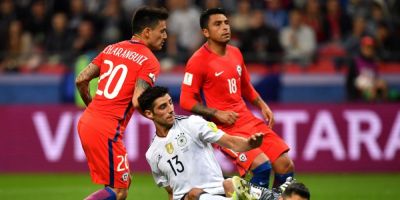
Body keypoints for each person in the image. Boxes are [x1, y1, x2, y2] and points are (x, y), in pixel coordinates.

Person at [179, 8, 294, 189]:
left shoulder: (235, 53)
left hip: (247, 119)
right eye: (218, 24)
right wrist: (217, 113)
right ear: (205, 32)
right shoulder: (197, 61)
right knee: (262, 167)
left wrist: (262, 105)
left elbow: (246, 86)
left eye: (226, 23)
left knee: (285, 165)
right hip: (225, 129)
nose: (225, 27)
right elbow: (186, 100)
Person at [75, 6, 168, 200]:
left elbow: (81, 79)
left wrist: (92, 107)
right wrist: (160, 120)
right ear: (147, 32)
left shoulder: (112, 48)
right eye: (162, 31)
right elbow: (138, 100)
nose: (165, 36)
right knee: (119, 191)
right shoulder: (149, 60)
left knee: (119, 184)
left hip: (87, 121)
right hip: (107, 129)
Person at [139, 86, 264, 200]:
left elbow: (231, 142)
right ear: (149, 114)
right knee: (194, 194)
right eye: (163, 107)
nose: (170, 109)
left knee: (229, 184)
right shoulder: (152, 154)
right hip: (190, 198)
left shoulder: (192, 124)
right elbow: (171, 192)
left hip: (217, 193)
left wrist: (250, 144)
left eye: (170, 103)